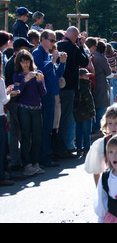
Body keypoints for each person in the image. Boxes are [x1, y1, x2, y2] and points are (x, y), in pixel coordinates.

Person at [32, 30, 66, 167]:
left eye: (54, 41)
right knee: (45, 127)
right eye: (52, 40)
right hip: (44, 96)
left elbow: (56, 74)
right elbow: (38, 73)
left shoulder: (47, 54)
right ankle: (44, 158)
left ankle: (46, 155)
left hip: (51, 95)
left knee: (49, 127)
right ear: (43, 39)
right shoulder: (37, 53)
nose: (54, 43)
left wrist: (62, 63)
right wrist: (53, 60)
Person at [56, 26, 89, 159]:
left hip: (55, 86)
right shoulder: (74, 48)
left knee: (56, 119)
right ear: (75, 38)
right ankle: (64, 148)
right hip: (68, 87)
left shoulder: (57, 45)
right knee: (66, 118)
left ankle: (56, 147)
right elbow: (85, 61)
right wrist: (81, 46)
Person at [13, 50, 47, 176]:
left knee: (37, 137)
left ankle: (35, 163)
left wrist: (39, 81)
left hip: (37, 107)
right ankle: (26, 164)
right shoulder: (17, 75)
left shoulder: (38, 73)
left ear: (30, 62)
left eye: (27, 62)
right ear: (19, 63)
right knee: (26, 136)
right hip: (24, 108)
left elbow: (43, 93)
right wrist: (24, 81)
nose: (25, 65)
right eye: (22, 62)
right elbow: (17, 92)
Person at [5, 38, 35, 172]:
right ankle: (20, 161)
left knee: (17, 133)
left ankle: (18, 160)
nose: (28, 51)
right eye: (26, 48)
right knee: (20, 132)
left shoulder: (12, 61)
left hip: (16, 101)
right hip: (17, 102)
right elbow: (15, 86)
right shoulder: (14, 64)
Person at [0, 56, 20, 186]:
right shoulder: (0, 80)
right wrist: (9, 93)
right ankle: (1, 177)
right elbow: (3, 100)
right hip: (0, 115)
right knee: (1, 149)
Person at [73, 68, 96, 156]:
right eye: (86, 75)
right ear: (80, 76)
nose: (88, 77)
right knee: (87, 132)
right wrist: (92, 112)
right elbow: (89, 100)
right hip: (86, 113)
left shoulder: (75, 86)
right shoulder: (85, 86)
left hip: (77, 113)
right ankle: (87, 148)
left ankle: (79, 148)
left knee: (78, 131)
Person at [91, 41, 112, 134]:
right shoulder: (102, 58)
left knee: (92, 106)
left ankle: (91, 128)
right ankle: (98, 127)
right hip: (100, 84)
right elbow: (108, 72)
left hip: (90, 84)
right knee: (101, 107)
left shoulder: (90, 56)